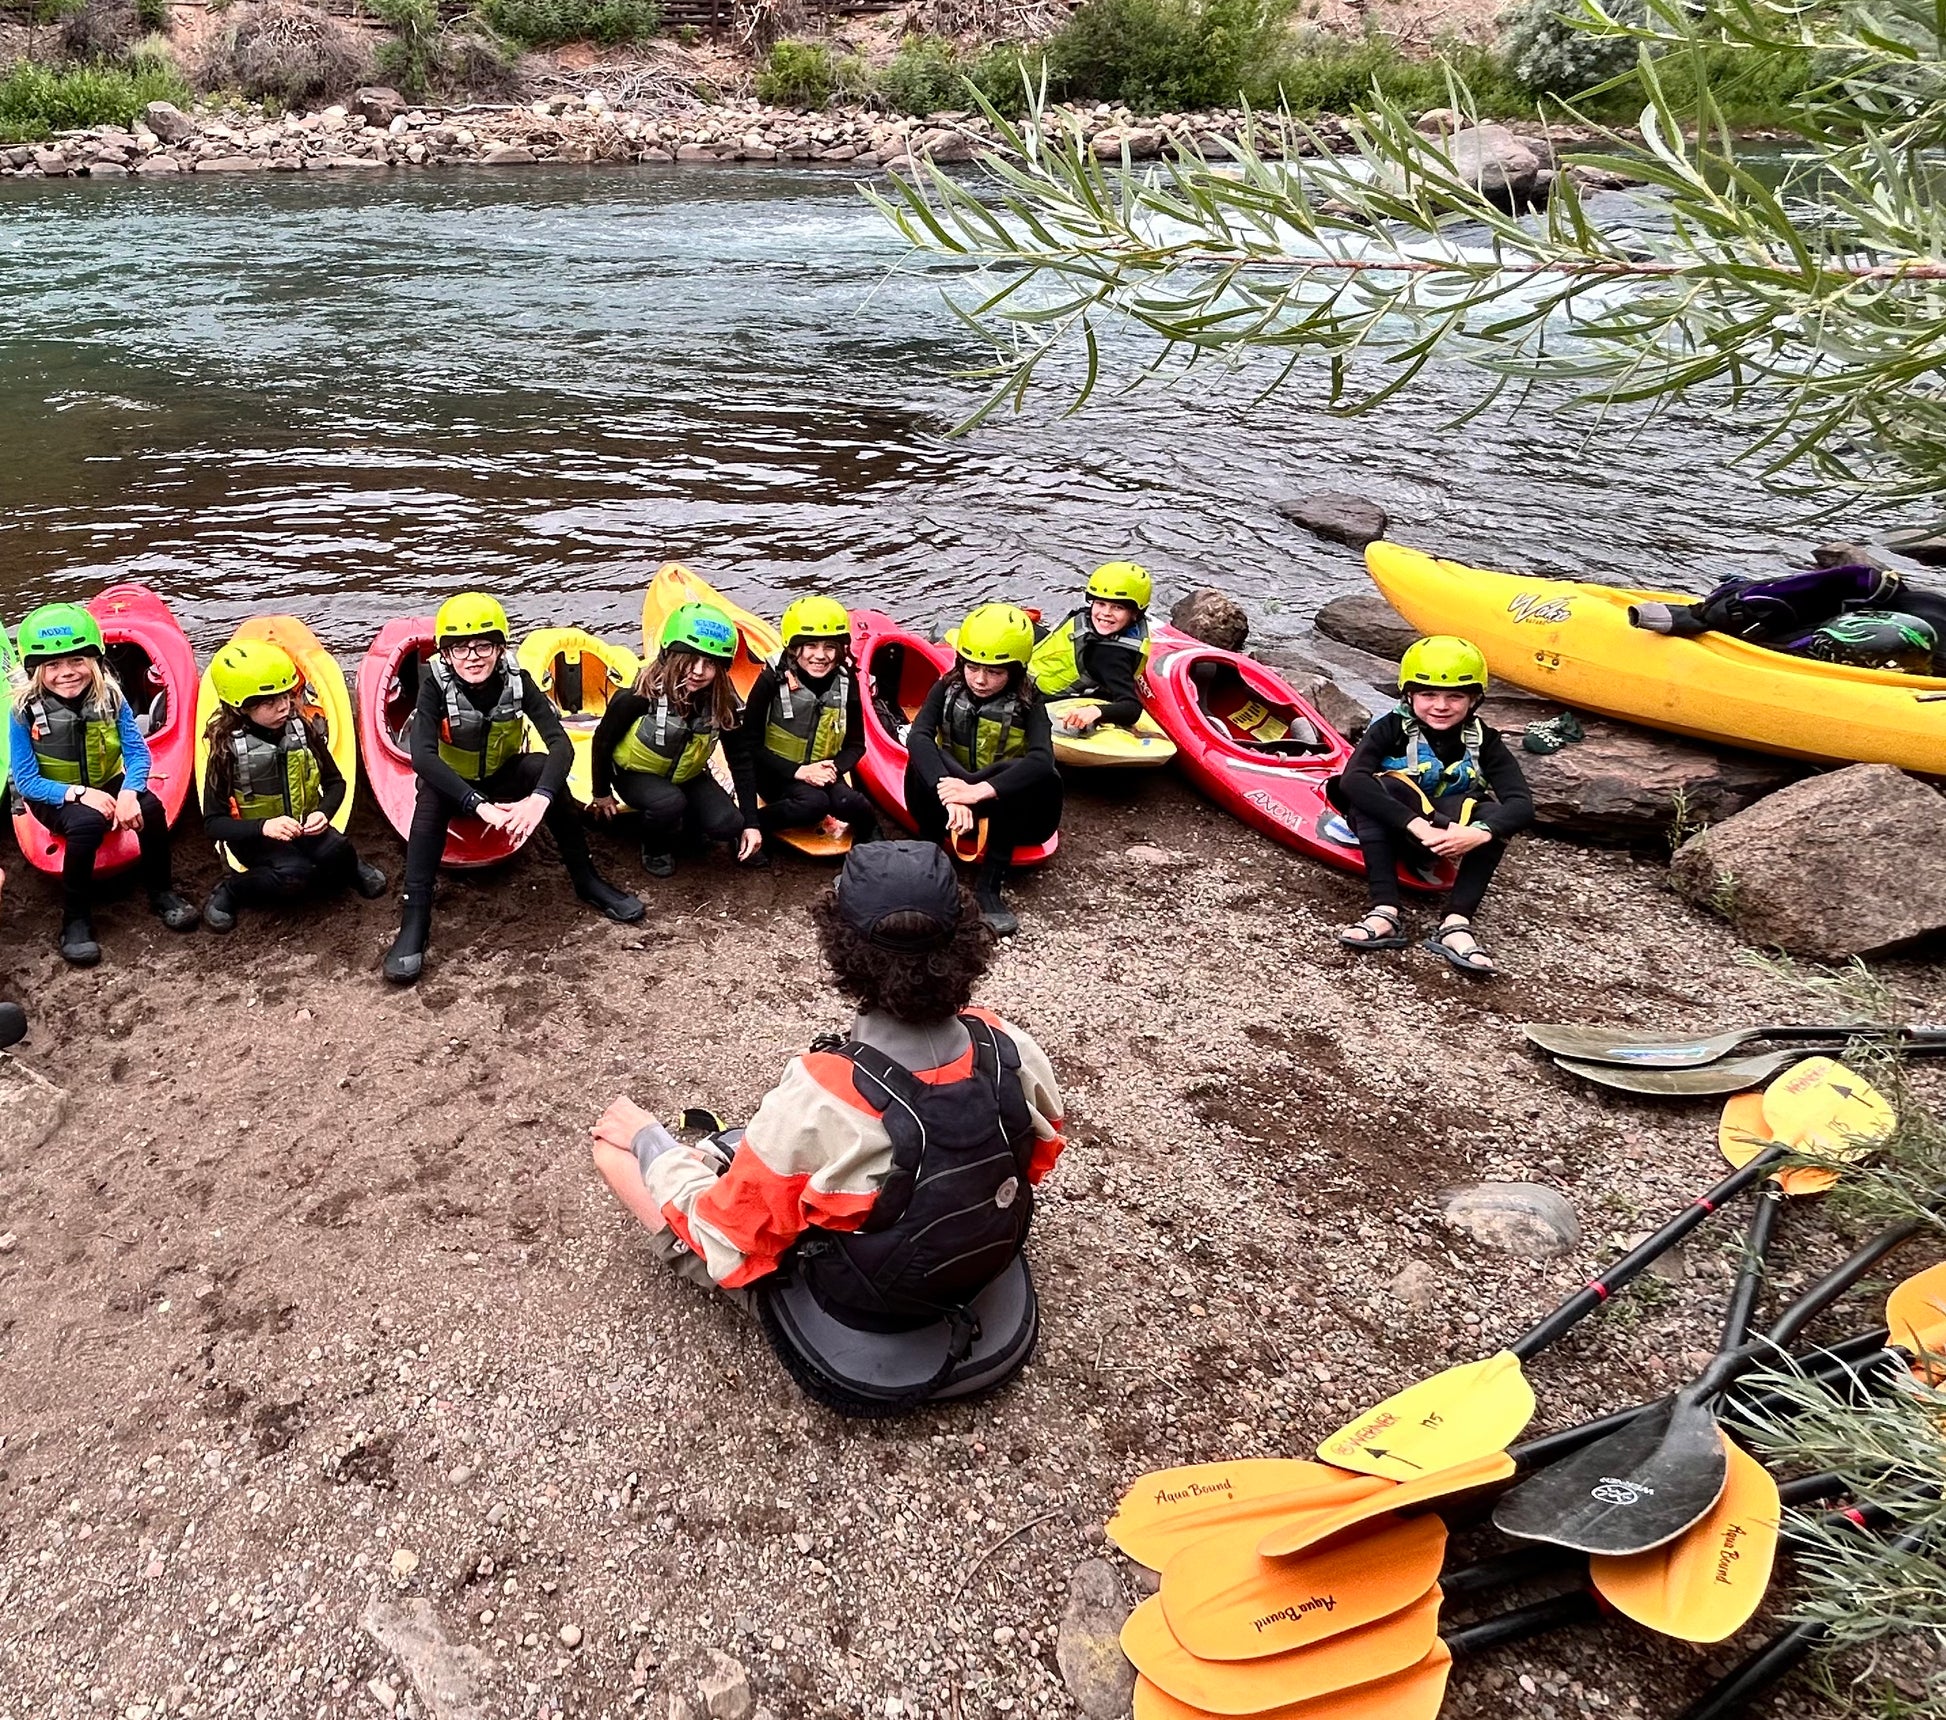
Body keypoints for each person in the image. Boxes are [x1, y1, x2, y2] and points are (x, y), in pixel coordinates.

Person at [589, 840, 1064, 1413]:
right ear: (966, 942)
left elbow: (730, 1242)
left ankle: (655, 1147)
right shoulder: (1011, 1045)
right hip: (974, 1270)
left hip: (866, 1315)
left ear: (842, 951)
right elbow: (1035, 1159)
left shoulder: (820, 1094)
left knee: (616, 1149)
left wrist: (651, 1143)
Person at [384, 592, 643, 984]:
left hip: (502, 776)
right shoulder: (435, 687)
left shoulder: (518, 682)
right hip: (454, 786)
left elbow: (560, 743)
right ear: (445, 654)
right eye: (459, 648)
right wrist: (477, 805)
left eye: (483, 645)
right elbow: (423, 758)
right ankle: (415, 916)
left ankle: (587, 879)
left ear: (500, 647)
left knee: (542, 769)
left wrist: (539, 800)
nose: (472, 656)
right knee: (430, 800)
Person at [1326, 636, 1534, 977]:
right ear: (1409, 695)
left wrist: (1479, 834)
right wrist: (1414, 824)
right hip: (1395, 826)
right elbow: (1353, 780)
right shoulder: (1390, 727)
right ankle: (1384, 911)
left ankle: (1456, 924)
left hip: (1444, 834)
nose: (1441, 705)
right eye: (1428, 695)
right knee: (1377, 789)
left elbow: (1522, 804)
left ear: (1474, 700)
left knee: (1497, 815)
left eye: (1455, 696)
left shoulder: (1487, 741)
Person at [9, 602, 198, 966]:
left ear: (94, 661)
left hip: (109, 782)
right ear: (37, 670)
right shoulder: (22, 712)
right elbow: (28, 782)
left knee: (151, 808)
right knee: (86, 823)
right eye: (53, 665)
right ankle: (75, 918)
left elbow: (139, 755)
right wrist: (80, 794)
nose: (67, 672)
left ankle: (162, 892)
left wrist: (128, 791)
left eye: (78, 660)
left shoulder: (110, 698)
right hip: (54, 795)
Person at [198, 639, 390, 932]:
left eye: (286, 696)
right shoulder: (226, 751)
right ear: (240, 706)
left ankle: (353, 867)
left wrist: (324, 813)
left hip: (303, 825)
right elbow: (214, 823)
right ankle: (231, 890)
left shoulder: (302, 729)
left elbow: (335, 783)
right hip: (255, 838)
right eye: (269, 701)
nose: (284, 706)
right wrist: (264, 826)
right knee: (295, 875)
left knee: (338, 851)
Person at [904, 603, 1062, 938]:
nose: (979, 679)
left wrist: (975, 791)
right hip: (950, 793)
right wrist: (952, 795)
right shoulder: (946, 687)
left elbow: (1042, 760)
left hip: (1003, 801)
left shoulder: (1032, 701)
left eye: (994, 671)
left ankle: (989, 887)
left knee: (1027, 769)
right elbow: (918, 736)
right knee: (922, 752)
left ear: (1015, 671)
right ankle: (928, 862)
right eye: (972, 667)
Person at [589, 601, 764, 879]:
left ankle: (691, 828)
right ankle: (655, 847)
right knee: (668, 802)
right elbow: (602, 742)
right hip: (633, 773)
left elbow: (741, 760)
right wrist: (601, 793)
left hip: (687, 775)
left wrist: (751, 824)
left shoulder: (724, 703)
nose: (697, 671)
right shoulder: (637, 695)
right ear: (669, 656)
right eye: (689, 660)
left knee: (729, 824)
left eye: (709, 663)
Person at [743, 595, 878, 843]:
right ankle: (754, 825)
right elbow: (749, 744)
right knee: (814, 804)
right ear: (795, 649)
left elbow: (856, 745)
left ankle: (872, 837)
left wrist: (833, 768)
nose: (821, 655)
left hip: (822, 772)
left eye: (829, 647)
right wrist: (800, 772)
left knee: (853, 803)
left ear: (840, 650)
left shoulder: (848, 682)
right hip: (776, 774)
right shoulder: (771, 680)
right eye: (811, 646)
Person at [1029, 560, 1153, 735]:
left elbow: (1131, 708)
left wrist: (1096, 711)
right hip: (1041, 664)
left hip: (1043, 695)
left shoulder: (1110, 657)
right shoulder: (1104, 626)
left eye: (1118, 607)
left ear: (1135, 613)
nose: (1106, 613)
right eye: (1101, 603)